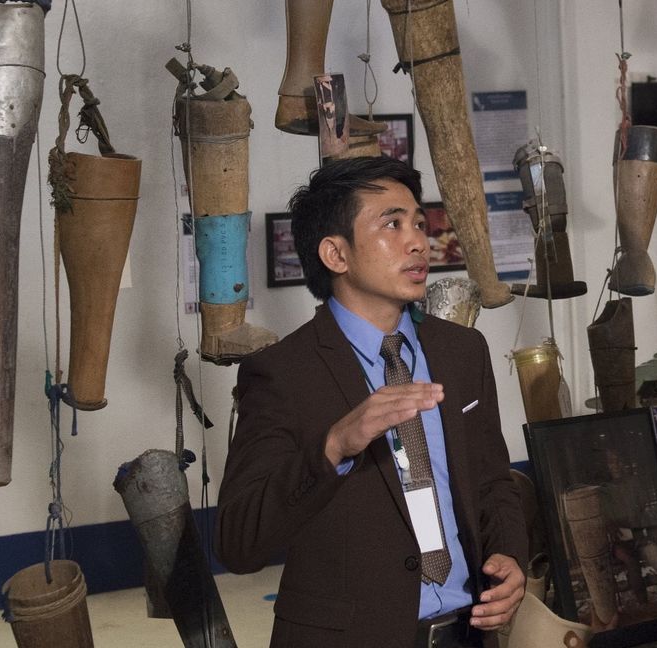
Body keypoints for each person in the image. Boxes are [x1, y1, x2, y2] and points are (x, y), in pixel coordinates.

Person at [216, 156, 525, 647]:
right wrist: (335, 445)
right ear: (336, 255)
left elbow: (491, 483)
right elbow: (238, 541)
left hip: (468, 635)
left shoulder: (462, 351)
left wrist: (510, 555)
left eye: (420, 224)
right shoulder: (282, 372)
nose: (419, 241)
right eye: (392, 224)